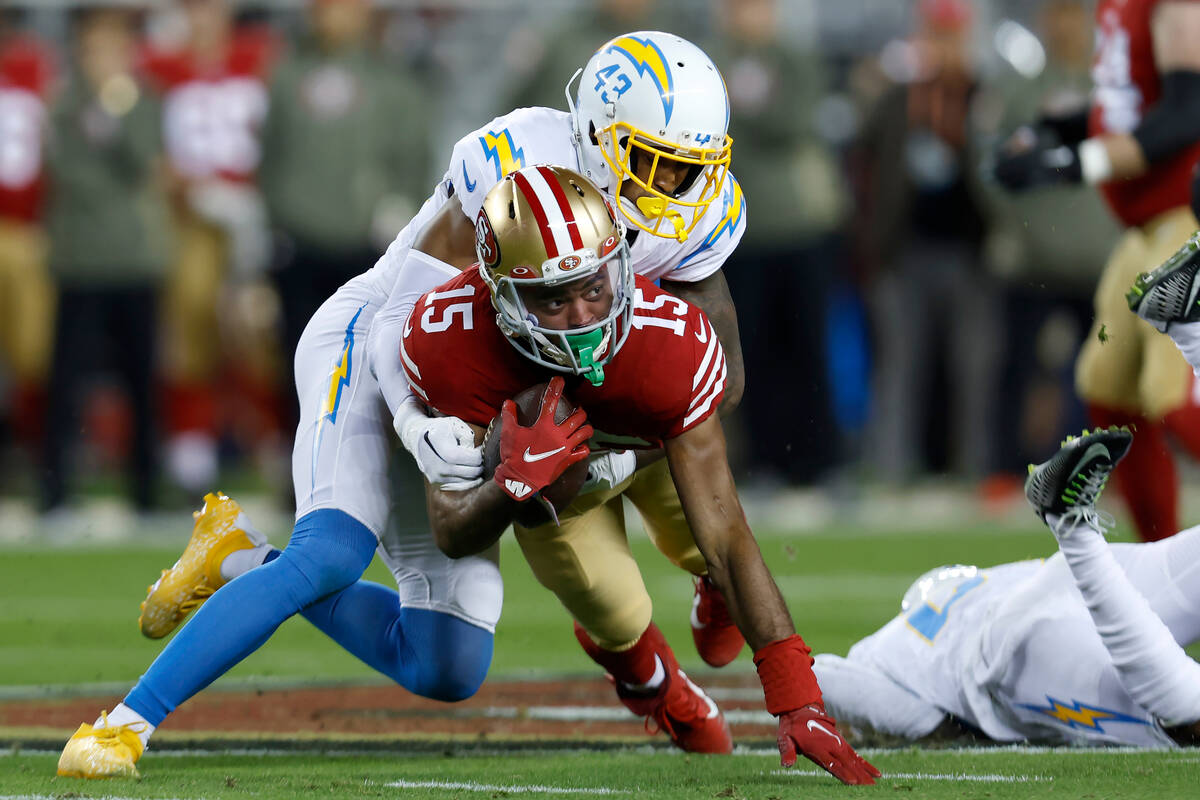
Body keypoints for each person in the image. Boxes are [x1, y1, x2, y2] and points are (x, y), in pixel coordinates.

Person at [54, 31, 752, 777]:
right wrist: (416, 424)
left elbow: (719, 368)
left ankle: (236, 557)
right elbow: (402, 322)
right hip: (371, 347)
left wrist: (612, 446)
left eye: (688, 170)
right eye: (654, 162)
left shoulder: (693, 215)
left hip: (464, 396)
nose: (673, 189)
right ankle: (124, 726)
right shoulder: (515, 161)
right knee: (329, 554)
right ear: (598, 133)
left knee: (449, 664)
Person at [398, 164, 878, 782]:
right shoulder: (448, 341)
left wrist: (797, 698)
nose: (582, 316)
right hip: (555, 495)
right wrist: (511, 484)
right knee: (617, 611)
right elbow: (451, 530)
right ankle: (647, 678)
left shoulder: (665, 341)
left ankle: (710, 590)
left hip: (649, 448)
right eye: (552, 296)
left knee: (707, 544)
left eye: (593, 286)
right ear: (499, 295)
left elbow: (729, 533)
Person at [813, 426, 1200, 747]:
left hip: (1019, 640)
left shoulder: (892, 660)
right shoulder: (904, 650)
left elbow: (819, 678)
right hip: (1043, 608)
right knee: (1182, 712)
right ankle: (1072, 526)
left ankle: (1072, 525)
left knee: (1182, 706)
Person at [992, 0, 1200, 542]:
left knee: (1171, 394)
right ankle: (1163, 560)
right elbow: (1128, 105)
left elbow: (1187, 112)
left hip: (1185, 219)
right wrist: (1055, 130)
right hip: (1146, 229)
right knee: (1107, 388)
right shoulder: (1117, 8)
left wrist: (1072, 163)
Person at [258, 0, 430, 433]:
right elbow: (270, 155)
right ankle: (295, 470)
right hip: (299, 241)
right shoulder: (286, 74)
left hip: (367, 247)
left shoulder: (393, 80)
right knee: (297, 363)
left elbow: (414, 156)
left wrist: (400, 205)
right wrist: (273, 220)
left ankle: (367, 474)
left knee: (369, 369)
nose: (334, 15)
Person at [40, 7, 169, 513]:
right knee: (66, 380)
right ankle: (55, 490)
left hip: (136, 258)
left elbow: (145, 158)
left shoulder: (143, 100)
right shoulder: (63, 102)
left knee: (143, 378)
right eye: (94, 46)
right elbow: (67, 170)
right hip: (80, 258)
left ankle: (145, 491)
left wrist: (117, 105)